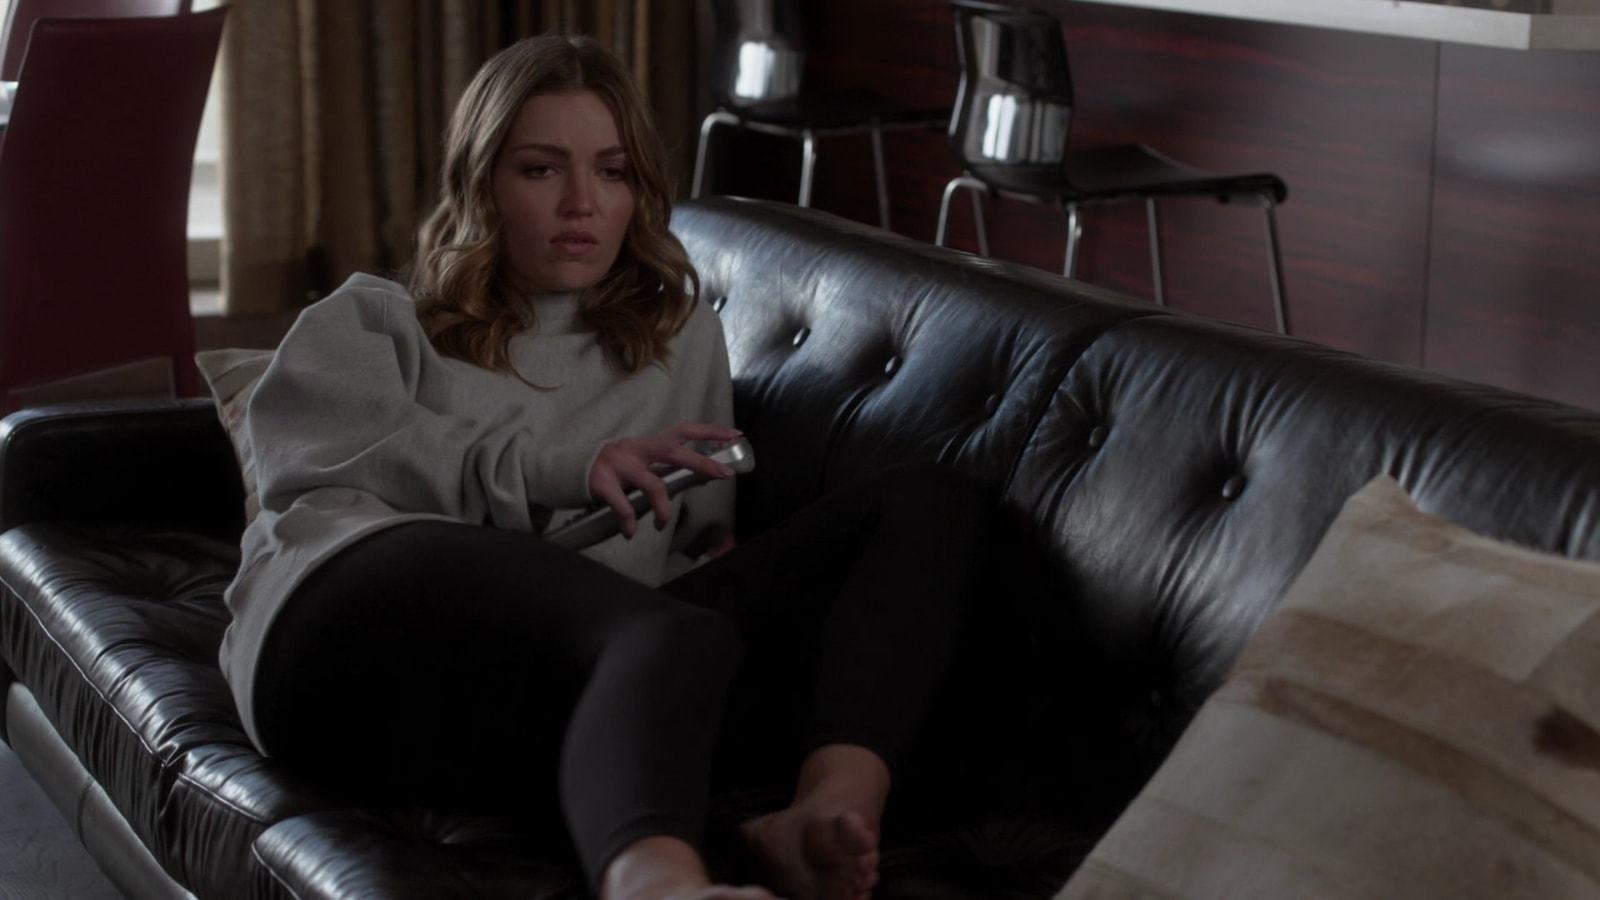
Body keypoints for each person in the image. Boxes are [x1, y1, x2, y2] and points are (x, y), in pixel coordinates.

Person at [218, 32, 996, 900]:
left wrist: (729, 572)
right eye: (541, 170)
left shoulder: (680, 338)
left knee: (925, 504)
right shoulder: (374, 318)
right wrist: (565, 467)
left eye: (614, 171)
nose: (582, 202)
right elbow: (312, 461)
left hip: (572, 686)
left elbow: (694, 546)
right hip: (343, 642)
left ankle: (826, 812)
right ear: (481, 182)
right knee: (658, 636)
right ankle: (659, 887)